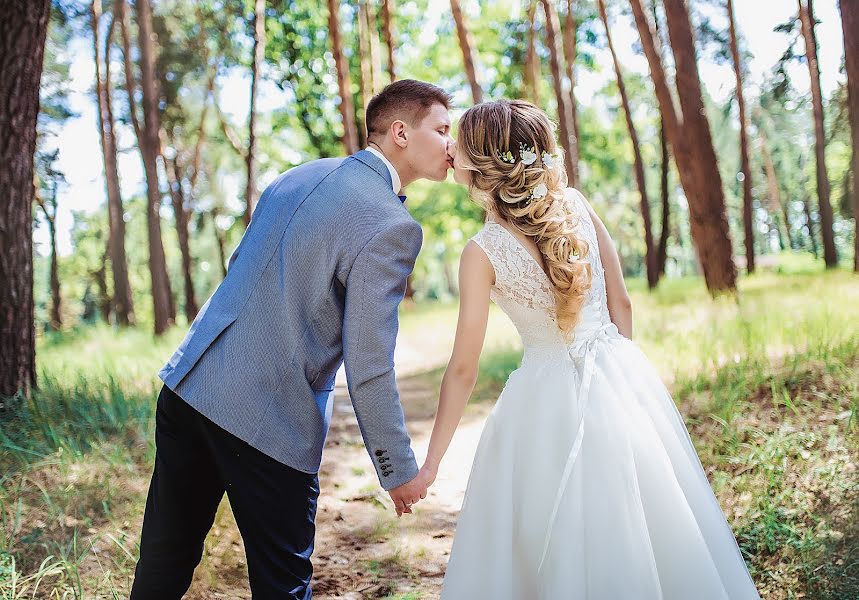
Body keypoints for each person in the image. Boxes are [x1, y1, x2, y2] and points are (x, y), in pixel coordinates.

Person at [424, 99, 761, 599]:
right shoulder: (576, 207)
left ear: (483, 161)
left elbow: (463, 369)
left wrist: (431, 464)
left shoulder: (482, 253)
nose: (449, 149)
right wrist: (620, 376)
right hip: (617, 372)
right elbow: (621, 304)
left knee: (547, 535)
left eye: (460, 141)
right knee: (646, 517)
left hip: (542, 401)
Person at [130, 79, 454, 600]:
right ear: (399, 132)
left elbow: (242, 273)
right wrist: (396, 469)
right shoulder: (392, 225)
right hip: (267, 420)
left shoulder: (298, 175)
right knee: (283, 585)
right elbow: (369, 361)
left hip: (189, 387)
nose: (451, 145)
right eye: (441, 130)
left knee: (164, 561)